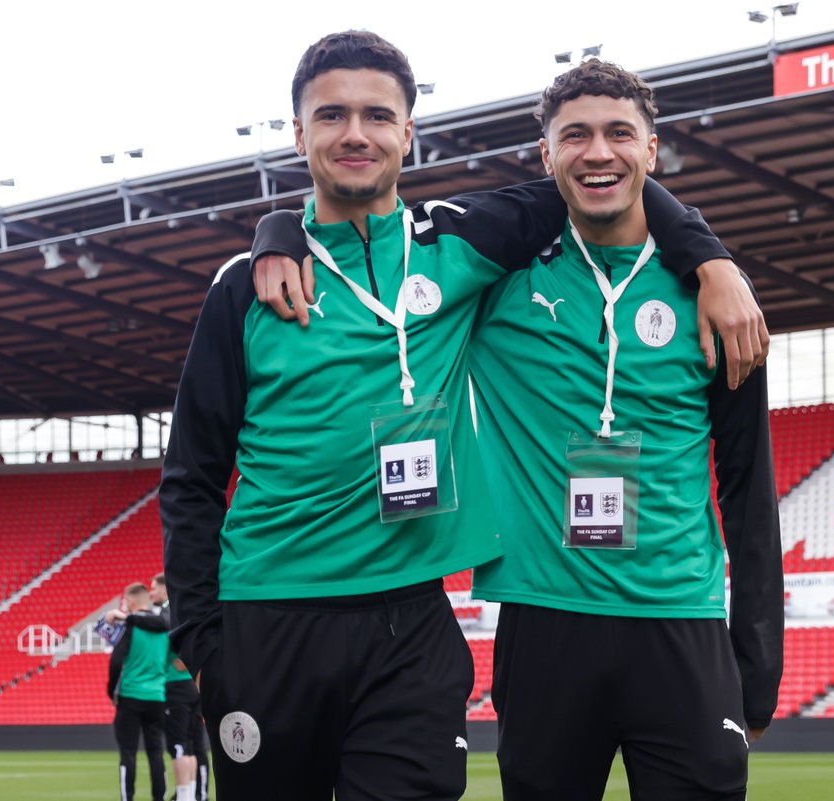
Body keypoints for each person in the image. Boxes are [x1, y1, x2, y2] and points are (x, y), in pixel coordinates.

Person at [161, 30, 755, 801]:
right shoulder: (246, 287)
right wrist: (205, 642)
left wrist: (709, 255)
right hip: (267, 623)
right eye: (331, 116)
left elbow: (603, 177)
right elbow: (191, 478)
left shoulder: (458, 244)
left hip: (411, 624)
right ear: (297, 132)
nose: (355, 134)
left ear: (408, 132)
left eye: (377, 115)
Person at [464, 60, 784, 800]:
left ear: (651, 149)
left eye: (618, 134)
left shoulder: (720, 301)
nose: (597, 152)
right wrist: (278, 226)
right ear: (547, 157)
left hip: (681, 625)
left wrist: (757, 662)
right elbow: (381, 235)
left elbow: (747, 483)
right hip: (544, 623)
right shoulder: (496, 282)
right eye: (574, 136)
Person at [107, 582, 170, 801]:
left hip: (131, 696)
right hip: (157, 696)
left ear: (131, 602)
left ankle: (128, 797)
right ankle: (159, 798)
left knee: (128, 753)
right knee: (156, 753)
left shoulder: (130, 627)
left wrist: (111, 692)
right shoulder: (163, 627)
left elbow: (116, 663)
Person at [151, 574, 206, 801]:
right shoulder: (184, 611)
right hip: (190, 688)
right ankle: (191, 794)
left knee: (177, 744)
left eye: (154, 588)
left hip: (175, 687)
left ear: (165, 590)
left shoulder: (167, 615)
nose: (151, 592)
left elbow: (163, 652)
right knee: (191, 746)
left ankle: (184, 796)